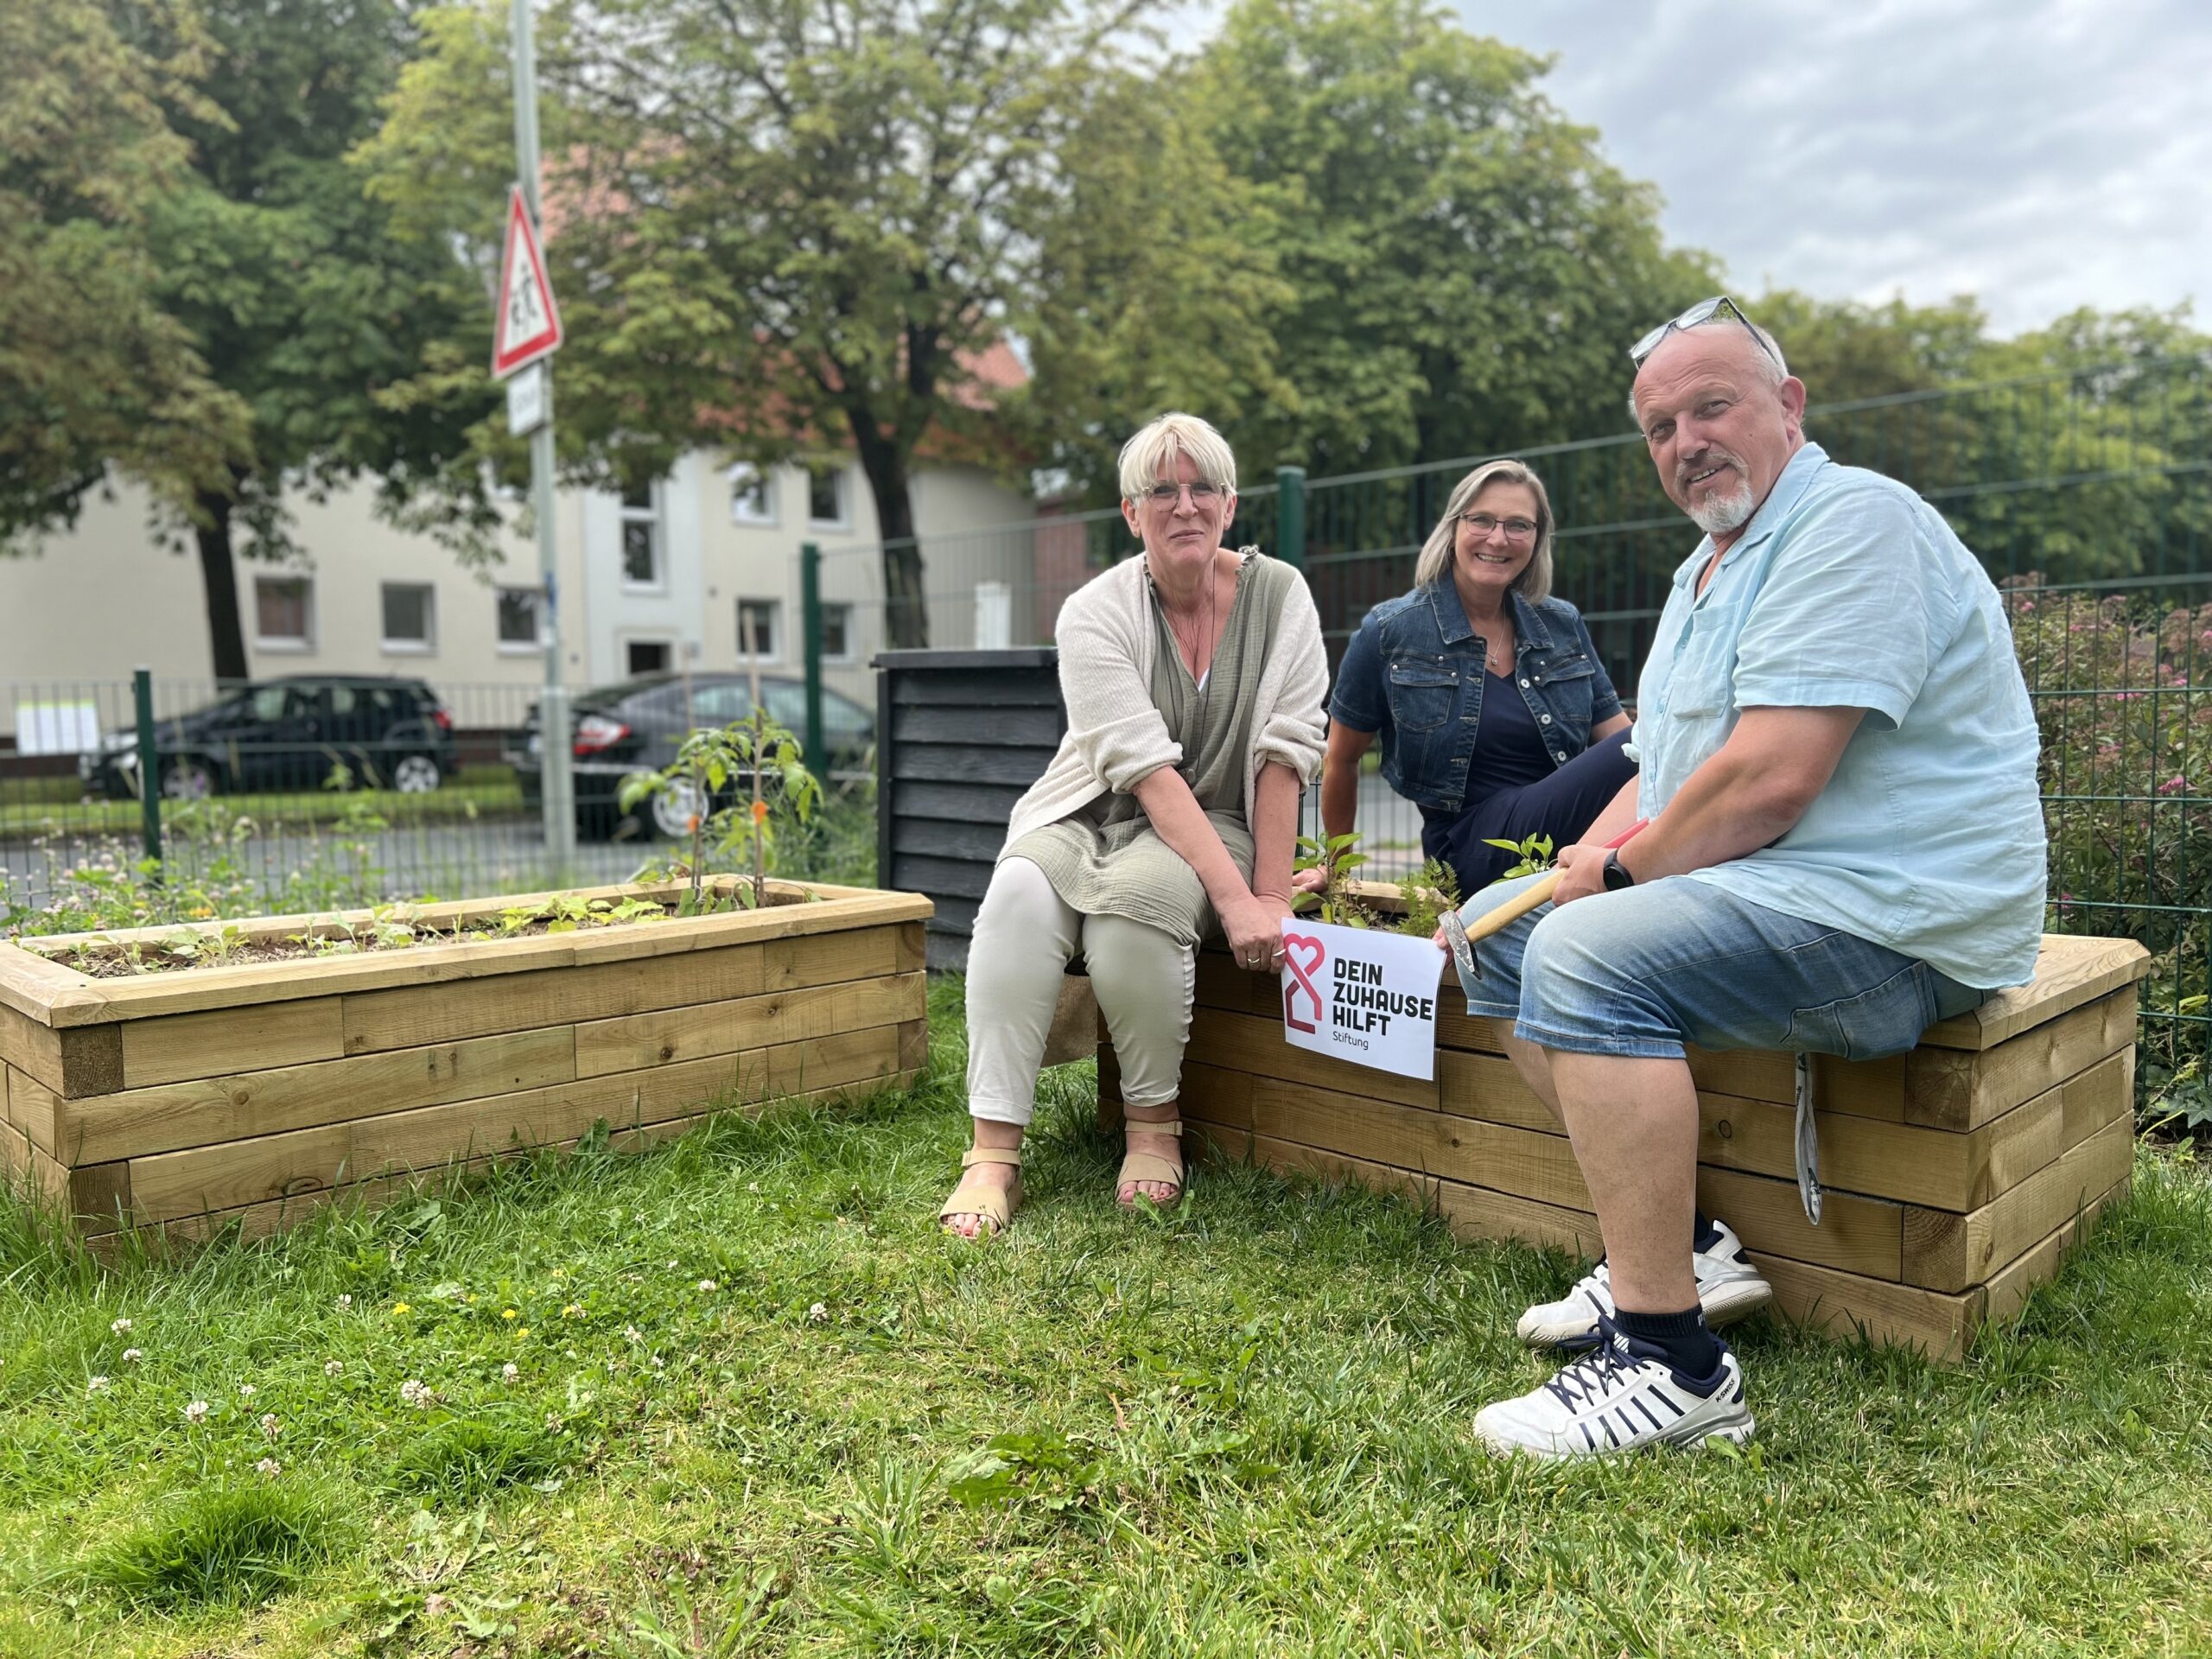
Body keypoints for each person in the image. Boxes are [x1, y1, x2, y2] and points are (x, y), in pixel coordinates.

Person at [1451, 296, 2046, 1458]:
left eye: (1710, 405)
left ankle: (1675, 1371)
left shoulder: (1851, 523)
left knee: (1580, 951)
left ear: (1788, 405)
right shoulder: (1707, 571)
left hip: (1896, 920)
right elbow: (1671, 770)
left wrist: (1614, 877)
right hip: (1787, 894)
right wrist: (1575, 864)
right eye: (1661, 427)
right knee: (1495, 934)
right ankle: (1687, 1250)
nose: (1686, 444)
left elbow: (1769, 780)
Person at [939, 412, 1329, 1238]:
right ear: (1132, 513)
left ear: (1229, 504)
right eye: (1162, 491)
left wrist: (1268, 898)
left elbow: (1285, 753)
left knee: (1135, 909)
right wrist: (1237, 905)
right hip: (1085, 809)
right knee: (1015, 895)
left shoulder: (1283, 594)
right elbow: (1145, 770)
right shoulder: (1092, 611)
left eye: (1202, 489)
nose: (1184, 506)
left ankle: (1154, 1126)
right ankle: (994, 1152)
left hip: (1215, 819)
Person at [1303, 460, 1635, 900]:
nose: (1498, 539)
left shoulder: (1561, 626)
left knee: (1653, 747)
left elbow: (1622, 743)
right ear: (1454, 527)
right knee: (1655, 740)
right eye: (1481, 520)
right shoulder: (1391, 632)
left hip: (1562, 833)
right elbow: (1341, 760)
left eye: (1519, 525)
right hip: (1469, 849)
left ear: (1537, 541)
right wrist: (1337, 870)